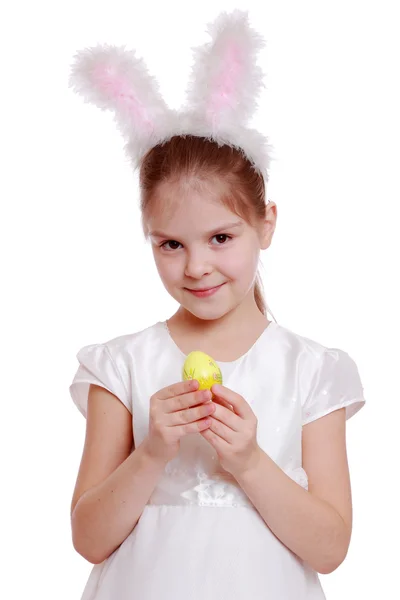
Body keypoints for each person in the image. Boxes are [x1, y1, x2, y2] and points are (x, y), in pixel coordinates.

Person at [68, 10, 366, 600]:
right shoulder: (121, 366)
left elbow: (331, 549)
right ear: (148, 236)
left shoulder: (311, 369)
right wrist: (153, 448)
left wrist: (250, 460)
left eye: (221, 238)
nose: (196, 266)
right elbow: (89, 537)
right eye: (171, 244)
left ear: (267, 224)